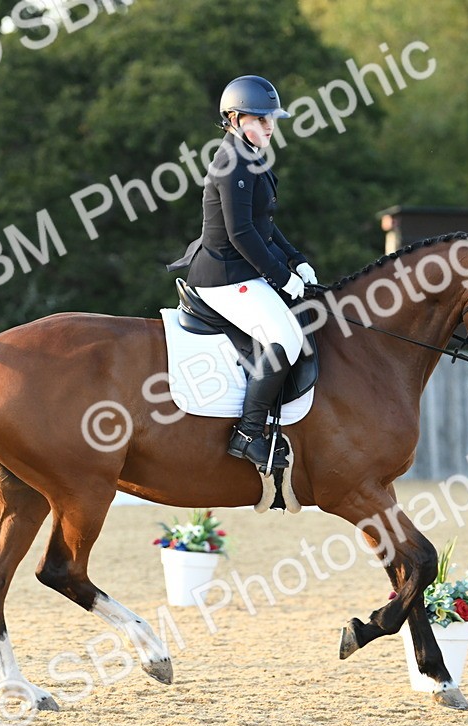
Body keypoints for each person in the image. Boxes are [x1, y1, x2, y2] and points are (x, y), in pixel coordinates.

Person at [170, 75, 318, 472]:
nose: (270, 126)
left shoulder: (252, 156)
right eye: (261, 119)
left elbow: (265, 224)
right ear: (234, 118)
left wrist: (294, 258)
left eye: (272, 119)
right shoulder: (231, 162)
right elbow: (240, 234)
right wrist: (279, 276)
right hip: (222, 275)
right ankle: (249, 434)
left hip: (241, 271)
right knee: (285, 338)